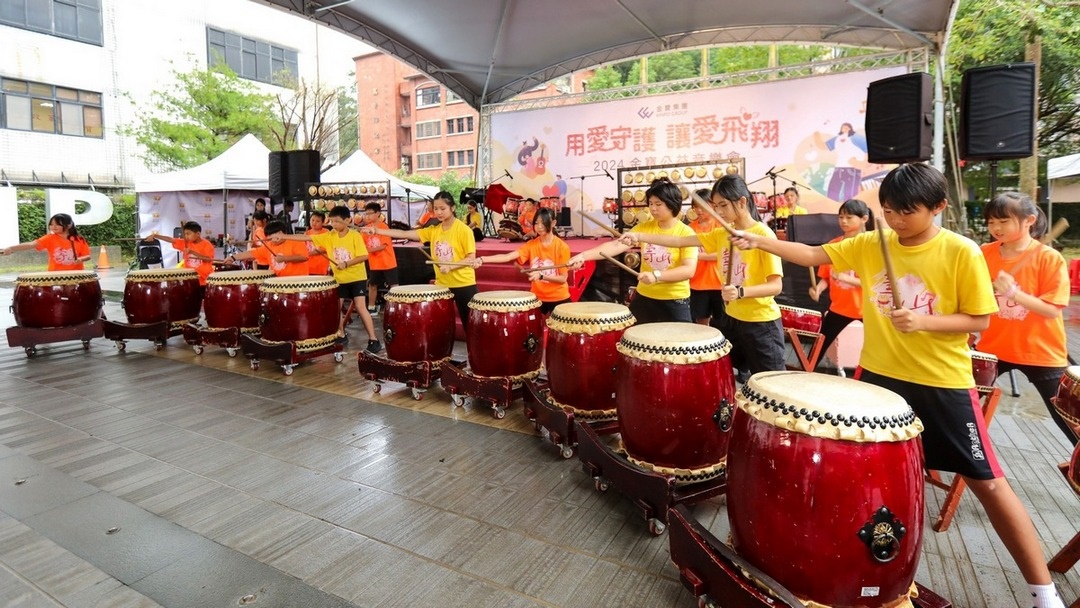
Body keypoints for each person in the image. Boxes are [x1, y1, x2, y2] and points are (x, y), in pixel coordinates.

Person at [731, 163, 1067, 608]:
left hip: (942, 383)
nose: (896, 220)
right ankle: (860, 569)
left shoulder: (960, 251)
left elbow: (980, 319)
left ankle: (1043, 593)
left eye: (907, 211)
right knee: (865, 476)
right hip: (878, 379)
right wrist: (757, 240)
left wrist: (924, 321)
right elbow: (814, 257)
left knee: (987, 480)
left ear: (939, 207)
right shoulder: (873, 242)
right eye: (888, 210)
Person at [621, 175, 784, 376]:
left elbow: (775, 286)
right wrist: (638, 236)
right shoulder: (723, 234)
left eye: (723, 205)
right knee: (727, 376)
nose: (718, 212)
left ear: (742, 202)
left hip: (761, 322)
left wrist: (741, 291)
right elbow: (679, 241)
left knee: (770, 380)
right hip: (732, 318)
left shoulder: (763, 234)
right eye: (715, 206)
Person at [978, 191, 1075, 446]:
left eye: (1003, 221)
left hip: (1040, 351)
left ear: (1029, 220)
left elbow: (1052, 310)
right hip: (992, 348)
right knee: (958, 403)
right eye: (991, 222)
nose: (996, 228)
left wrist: (1013, 293)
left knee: (1068, 419)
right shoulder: (984, 253)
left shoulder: (1048, 257)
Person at [568, 178, 697, 324]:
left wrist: (657, 275)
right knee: (633, 341)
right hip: (645, 296)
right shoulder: (644, 228)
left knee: (678, 345)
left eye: (658, 204)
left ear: (672, 204)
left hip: (675, 299)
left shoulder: (686, 232)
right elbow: (615, 246)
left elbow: (688, 270)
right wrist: (584, 256)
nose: (653, 208)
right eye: (651, 204)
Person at [273, 206, 381, 354]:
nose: (334, 225)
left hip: (357, 278)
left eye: (337, 222)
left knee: (361, 308)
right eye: (332, 221)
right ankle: (341, 334)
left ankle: (373, 339)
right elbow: (306, 237)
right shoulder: (329, 236)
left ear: (348, 220)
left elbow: (364, 256)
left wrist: (346, 263)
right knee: (337, 308)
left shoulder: (355, 235)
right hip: (339, 279)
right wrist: (284, 237)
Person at [363, 191, 477, 328]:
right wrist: (378, 231)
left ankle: (473, 350)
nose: (439, 212)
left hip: (463, 284)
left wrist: (450, 267)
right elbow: (405, 233)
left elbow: (471, 259)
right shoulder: (434, 230)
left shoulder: (464, 230)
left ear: (452, 208)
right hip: (442, 284)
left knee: (470, 325)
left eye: (443, 208)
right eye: (436, 209)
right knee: (441, 325)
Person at [808, 198, 871, 371]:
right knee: (820, 343)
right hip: (839, 308)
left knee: (880, 347)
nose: (843, 221)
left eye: (849, 217)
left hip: (867, 309)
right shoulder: (834, 245)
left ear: (864, 218)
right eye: (841, 217)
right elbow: (827, 278)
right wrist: (818, 289)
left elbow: (876, 283)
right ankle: (805, 373)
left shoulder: (872, 245)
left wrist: (847, 279)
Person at [472, 208, 571, 314]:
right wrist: (482, 259)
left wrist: (542, 276)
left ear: (553, 223)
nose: (540, 227)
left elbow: (562, 279)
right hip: (537, 297)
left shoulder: (562, 247)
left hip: (558, 297)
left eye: (544, 223)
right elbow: (508, 257)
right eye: (536, 223)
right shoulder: (532, 245)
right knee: (532, 329)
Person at [687, 188, 726, 329]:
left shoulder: (722, 225)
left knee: (723, 323)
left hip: (720, 283)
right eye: (695, 206)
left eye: (703, 206)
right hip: (697, 283)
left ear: (713, 205)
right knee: (700, 324)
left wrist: (700, 255)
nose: (699, 210)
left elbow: (724, 253)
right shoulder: (690, 228)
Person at [1, 213, 91, 271]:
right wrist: (11, 248)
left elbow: (87, 256)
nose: (53, 226)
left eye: (57, 224)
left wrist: (81, 259)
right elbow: (31, 244)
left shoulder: (79, 239)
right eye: (51, 224)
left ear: (69, 225)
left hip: (76, 276)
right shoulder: (49, 238)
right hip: (55, 276)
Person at [224, 220, 310, 276]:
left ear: (281, 233)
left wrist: (284, 258)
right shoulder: (269, 245)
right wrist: (232, 258)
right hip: (278, 283)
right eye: (268, 238)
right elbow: (251, 253)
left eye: (272, 237)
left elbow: (304, 257)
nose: (271, 240)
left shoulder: (295, 241)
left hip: (298, 283)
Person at [144, 221, 216, 286]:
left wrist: (192, 252)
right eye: (185, 234)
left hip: (203, 280)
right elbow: (171, 240)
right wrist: (155, 236)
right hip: (189, 278)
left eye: (188, 234)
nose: (186, 236)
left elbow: (208, 259)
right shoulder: (186, 242)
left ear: (198, 234)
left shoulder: (207, 244)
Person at [361, 202, 398, 314]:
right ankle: (371, 307)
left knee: (394, 286)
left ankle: (395, 307)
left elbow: (383, 246)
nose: (367, 216)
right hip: (374, 263)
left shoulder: (384, 227)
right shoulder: (365, 229)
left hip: (388, 262)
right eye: (366, 214)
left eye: (370, 213)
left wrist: (367, 251)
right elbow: (362, 244)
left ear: (378, 213)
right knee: (372, 285)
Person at [304, 211, 331, 276]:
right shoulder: (307, 233)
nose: (314, 223)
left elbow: (326, 248)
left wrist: (309, 253)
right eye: (312, 220)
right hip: (309, 265)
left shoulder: (326, 232)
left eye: (317, 221)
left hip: (321, 266)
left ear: (323, 222)